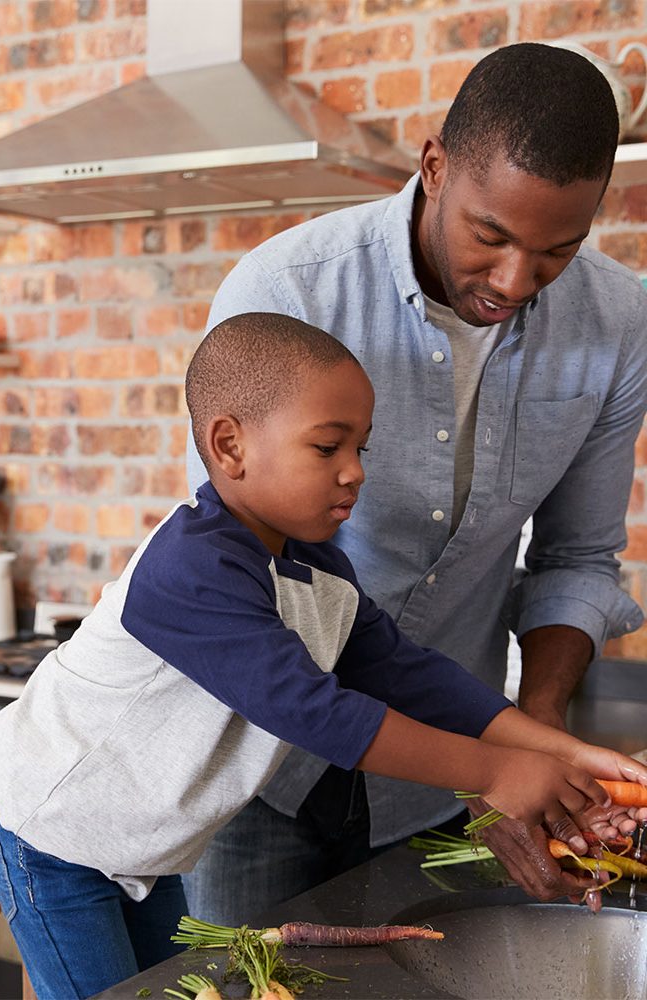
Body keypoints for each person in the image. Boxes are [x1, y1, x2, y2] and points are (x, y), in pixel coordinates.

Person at [0, 312, 647, 1000]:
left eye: (362, 447)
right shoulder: (191, 568)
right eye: (328, 448)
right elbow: (317, 714)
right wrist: (500, 770)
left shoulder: (312, 566)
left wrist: (562, 754)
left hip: (138, 841)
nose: (355, 473)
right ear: (229, 445)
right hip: (53, 834)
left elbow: (402, 672)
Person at [184, 41, 647, 925]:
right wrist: (496, 764)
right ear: (434, 166)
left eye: (559, 250)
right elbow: (245, 579)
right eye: (491, 235)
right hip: (260, 776)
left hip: (437, 798)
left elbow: (579, 559)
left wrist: (536, 742)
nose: (516, 281)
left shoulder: (619, 324)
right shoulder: (289, 292)